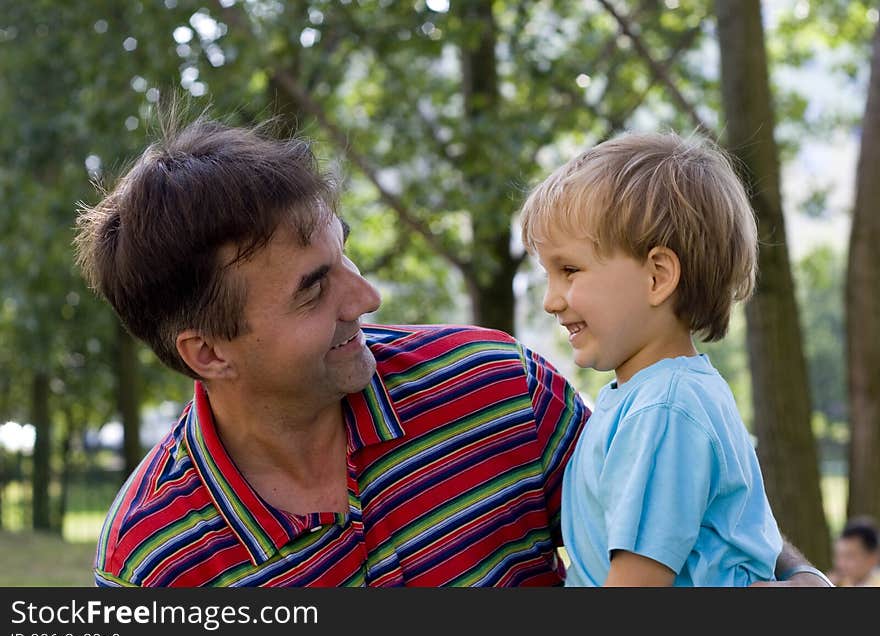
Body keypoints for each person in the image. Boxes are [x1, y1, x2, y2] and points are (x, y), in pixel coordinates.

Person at [75, 113, 825, 586]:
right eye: (313, 289)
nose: (365, 298)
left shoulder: (498, 387)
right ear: (208, 353)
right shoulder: (155, 556)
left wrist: (798, 576)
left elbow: (675, 495)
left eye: (347, 257)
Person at [519, 132, 785, 586]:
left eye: (569, 270)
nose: (551, 301)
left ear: (657, 277)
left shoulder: (663, 410)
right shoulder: (647, 396)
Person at [829, 516, 880, 587]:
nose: (840, 564)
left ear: (872, 558)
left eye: (849, 556)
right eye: (838, 556)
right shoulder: (837, 583)